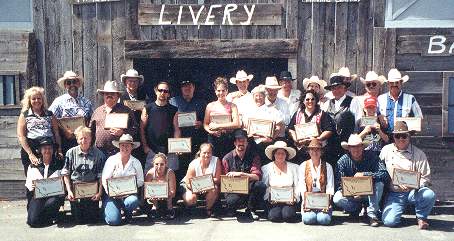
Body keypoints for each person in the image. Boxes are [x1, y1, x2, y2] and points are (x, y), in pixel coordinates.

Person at [380, 121, 435, 229]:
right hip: (394, 194)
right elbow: (379, 169)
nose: (401, 139)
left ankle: (421, 217)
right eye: (397, 136)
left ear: (409, 136)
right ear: (393, 137)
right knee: (389, 222)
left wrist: (413, 185)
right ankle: (398, 212)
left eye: (404, 136)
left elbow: (425, 178)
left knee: (429, 195)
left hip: (413, 192)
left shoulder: (419, 153)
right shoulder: (386, 150)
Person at [333, 134, 388, 227]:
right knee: (337, 198)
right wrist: (352, 192)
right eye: (353, 147)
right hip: (352, 195)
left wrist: (365, 174)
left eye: (358, 146)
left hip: (370, 194)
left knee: (380, 184)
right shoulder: (342, 161)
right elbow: (339, 183)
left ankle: (372, 214)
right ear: (348, 148)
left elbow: (384, 173)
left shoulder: (372, 156)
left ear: (363, 147)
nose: (356, 149)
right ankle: (355, 209)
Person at [62, 126, 106, 224]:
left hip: (92, 191)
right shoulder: (70, 153)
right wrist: (69, 191)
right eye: (81, 138)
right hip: (76, 190)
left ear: (91, 139)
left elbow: (101, 176)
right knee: (78, 220)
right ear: (77, 140)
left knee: (92, 219)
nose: (84, 140)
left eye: (86, 138)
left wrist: (99, 193)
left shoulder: (99, 154)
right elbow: (66, 173)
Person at [17, 86, 63, 175]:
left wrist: (59, 149)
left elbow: (56, 133)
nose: (37, 101)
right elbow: (21, 136)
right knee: (33, 176)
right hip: (32, 147)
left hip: (48, 147)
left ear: (42, 100)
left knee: (49, 174)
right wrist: (30, 154)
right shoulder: (25, 115)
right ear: (29, 101)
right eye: (33, 99)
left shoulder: (49, 114)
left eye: (39, 98)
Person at [222, 129, 266, 220]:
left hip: (248, 186)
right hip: (233, 188)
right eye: (238, 140)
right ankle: (232, 208)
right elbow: (224, 182)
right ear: (234, 143)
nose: (241, 143)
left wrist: (241, 174)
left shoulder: (254, 156)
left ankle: (251, 209)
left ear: (247, 143)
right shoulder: (226, 158)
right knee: (232, 201)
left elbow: (257, 176)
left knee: (260, 185)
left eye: (243, 140)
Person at [101, 134, 144, 225]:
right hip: (112, 195)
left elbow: (141, 181)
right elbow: (105, 179)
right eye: (123, 145)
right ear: (119, 146)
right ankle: (112, 209)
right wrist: (111, 193)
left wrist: (129, 188)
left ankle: (127, 211)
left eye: (128, 145)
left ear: (132, 147)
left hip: (129, 195)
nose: (125, 148)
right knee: (113, 221)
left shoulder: (136, 162)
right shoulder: (111, 160)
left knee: (133, 201)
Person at [170, 78, 207, 180]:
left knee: (196, 167)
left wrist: (201, 123)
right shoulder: (173, 102)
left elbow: (208, 122)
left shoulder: (201, 103)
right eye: (184, 86)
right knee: (179, 168)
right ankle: (181, 192)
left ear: (193, 87)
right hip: (180, 141)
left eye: (189, 86)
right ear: (181, 88)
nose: (187, 88)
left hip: (196, 141)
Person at [90, 81, 138, 157]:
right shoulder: (97, 111)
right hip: (99, 152)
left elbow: (135, 128)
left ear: (118, 96)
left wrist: (123, 132)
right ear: (103, 95)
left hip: (119, 152)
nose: (109, 95)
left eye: (112, 94)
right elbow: (91, 131)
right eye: (106, 93)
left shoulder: (126, 110)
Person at [141, 81, 181, 172]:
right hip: (152, 150)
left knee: (171, 177)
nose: (163, 93)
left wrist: (177, 146)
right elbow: (142, 129)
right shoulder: (147, 108)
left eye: (165, 91)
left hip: (170, 151)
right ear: (156, 91)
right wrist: (145, 147)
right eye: (160, 90)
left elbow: (176, 129)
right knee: (150, 178)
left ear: (168, 94)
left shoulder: (174, 110)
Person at [49, 71, 93, 154]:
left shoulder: (87, 102)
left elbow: (91, 121)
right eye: (69, 82)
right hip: (65, 141)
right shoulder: (59, 102)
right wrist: (64, 131)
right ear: (65, 85)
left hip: (83, 141)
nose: (72, 85)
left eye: (74, 82)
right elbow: (50, 118)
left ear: (78, 84)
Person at [288, 89, 335, 166]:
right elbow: (290, 129)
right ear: (303, 101)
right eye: (307, 99)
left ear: (316, 100)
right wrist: (295, 138)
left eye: (313, 99)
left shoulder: (322, 114)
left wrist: (318, 139)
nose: (310, 101)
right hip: (301, 151)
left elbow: (329, 130)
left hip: (317, 150)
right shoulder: (297, 114)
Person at [25, 138, 64, 228]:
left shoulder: (59, 165)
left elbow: (62, 185)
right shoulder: (33, 166)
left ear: (53, 149)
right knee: (32, 221)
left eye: (50, 148)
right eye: (44, 148)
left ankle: (50, 216)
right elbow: (29, 186)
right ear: (40, 150)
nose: (47, 150)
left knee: (53, 202)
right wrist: (34, 186)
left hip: (53, 197)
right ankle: (45, 217)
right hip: (37, 197)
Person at [242, 85, 284, 163]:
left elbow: (279, 127)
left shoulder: (272, 110)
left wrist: (272, 138)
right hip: (252, 143)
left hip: (267, 144)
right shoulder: (248, 111)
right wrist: (249, 133)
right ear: (253, 97)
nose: (258, 98)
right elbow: (244, 127)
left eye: (261, 96)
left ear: (265, 97)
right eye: (256, 96)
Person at [377, 68, 423, 137]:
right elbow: (372, 118)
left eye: (397, 82)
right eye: (392, 82)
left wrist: (408, 130)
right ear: (388, 84)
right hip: (384, 139)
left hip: (403, 139)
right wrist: (379, 116)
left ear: (401, 83)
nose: (394, 85)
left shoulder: (410, 98)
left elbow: (420, 120)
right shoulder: (380, 99)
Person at [262, 141, 299, 223]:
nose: (280, 156)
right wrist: (270, 197)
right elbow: (265, 186)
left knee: (288, 216)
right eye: (278, 153)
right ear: (273, 155)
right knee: (274, 217)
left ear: (286, 155)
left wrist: (294, 198)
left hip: (289, 202)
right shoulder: (266, 168)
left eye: (283, 153)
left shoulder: (294, 168)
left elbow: (297, 186)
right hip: (273, 201)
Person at [299, 139, 334, 225]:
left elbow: (330, 186)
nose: (315, 152)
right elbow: (302, 185)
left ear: (321, 151)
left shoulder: (328, 166)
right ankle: (311, 214)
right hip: (309, 201)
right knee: (309, 219)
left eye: (317, 149)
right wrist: (306, 202)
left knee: (323, 220)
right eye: (312, 149)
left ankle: (321, 214)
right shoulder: (303, 165)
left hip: (323, 201)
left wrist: (327, 202)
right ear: (308, 151)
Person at [204, 77, 241, 159]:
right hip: (214, 138)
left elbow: (237, 124)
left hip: (228, 138)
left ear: (227, 91)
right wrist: (211, 131)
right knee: (214, 162)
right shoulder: (210, 106)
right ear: (215, 91)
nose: (221, 93)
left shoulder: (233, 106)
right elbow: (205, 124)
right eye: (218, 90)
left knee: (227, 162)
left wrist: (218, 126)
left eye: (223, 90)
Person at [181, 143, 222, 217]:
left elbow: (218, 179)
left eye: (209, 153)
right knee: (191, 199)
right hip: (191, 186)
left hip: (207, 185)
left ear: (212, 153)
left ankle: (208, 208)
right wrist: (199, 188)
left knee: (214, 189)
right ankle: (190, 207)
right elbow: (188, 183)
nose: (206, 155)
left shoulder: (216, 160)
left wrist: (204, 185)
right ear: (200, 153)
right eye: (204, 153)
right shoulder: (193, 164)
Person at [322, 74, 356, 164]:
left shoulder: (353, 101)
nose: (336, 90)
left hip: (347, 144)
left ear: (344, 88)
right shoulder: (326, 104)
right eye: (333, 88)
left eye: (339, 87)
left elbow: (358, 123)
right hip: (330, 145)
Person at [120, 69, 148, 167]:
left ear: (139, 83)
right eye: (130, 81)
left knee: (139, 162)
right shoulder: (121, 96)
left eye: (135, 81)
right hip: (126, 134)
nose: (132, 83)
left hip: (140, 134)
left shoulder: (144, 96)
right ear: (125, 82)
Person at [144, 153, 177, 220]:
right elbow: (146, 192)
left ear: (166, 164)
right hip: (154, 198)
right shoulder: (150, 174)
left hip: (168, 197)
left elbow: (173, 192)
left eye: (162, 164)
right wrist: (156, 193)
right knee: (153, 185)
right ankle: (155, 207)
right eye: (156, 164)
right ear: (153, 164)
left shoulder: (170, 173)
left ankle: (169, 208)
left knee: (166, 187)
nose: (159, 167)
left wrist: (163, 193)